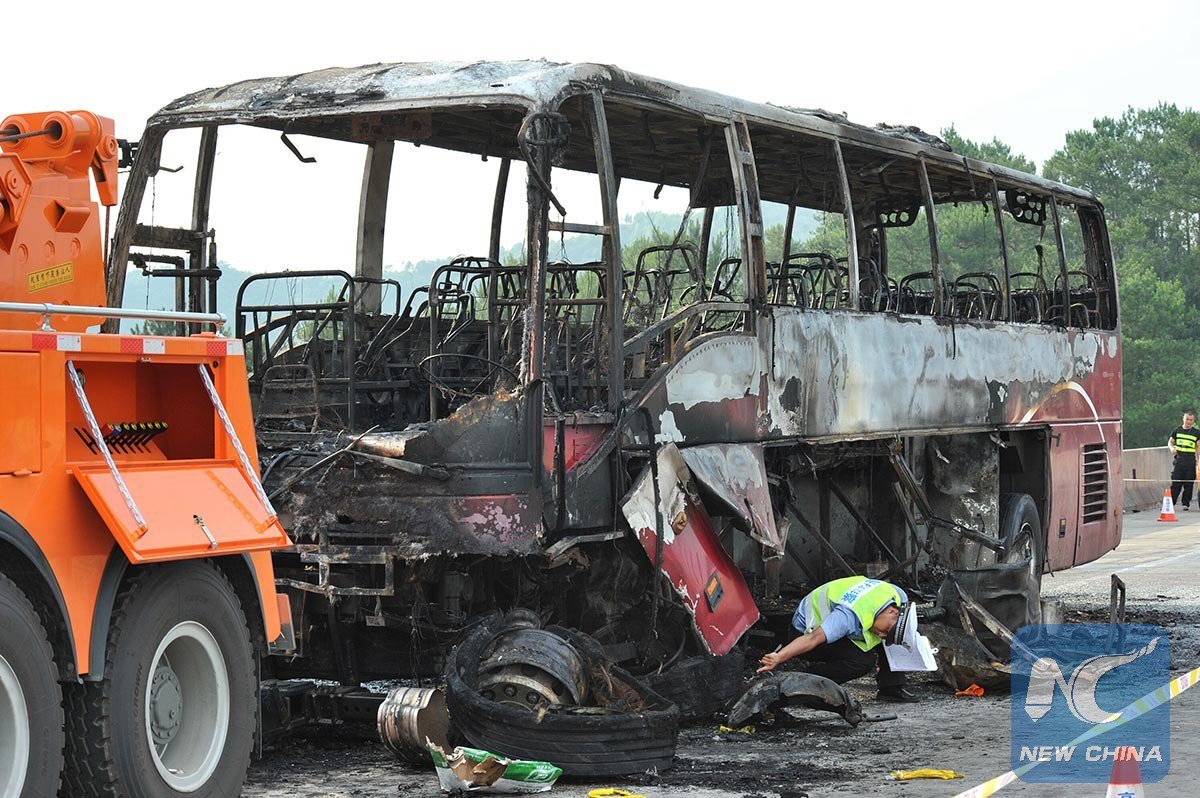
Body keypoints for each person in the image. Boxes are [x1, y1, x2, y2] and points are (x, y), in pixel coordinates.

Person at [757, 575, 918, 703]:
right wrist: (779, 656)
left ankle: (891, 687)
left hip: (838, 626)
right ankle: (807, 685)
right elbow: (813, 638)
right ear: (892, 613)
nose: (883, 636)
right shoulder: (848, 616)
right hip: (803, 633)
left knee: (896, 635)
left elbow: (899, 627)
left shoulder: (898, 596)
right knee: (862, 662)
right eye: (886, 631)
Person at [1168, 411, 1199, 510]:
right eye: (1187, 419)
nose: (1188, 422)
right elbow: (1170, 442)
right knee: (1175, 482)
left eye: (1191, 420)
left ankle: (1185, 504)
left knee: (1188, 484)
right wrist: (1172, 448)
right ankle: (1171, 503)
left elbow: (1198, 447)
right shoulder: (1177, 430)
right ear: (1183, 419)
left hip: (1190, 461)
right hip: (1179, 460)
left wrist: (1198, 460)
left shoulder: (1196, 433)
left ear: (1193, 421)